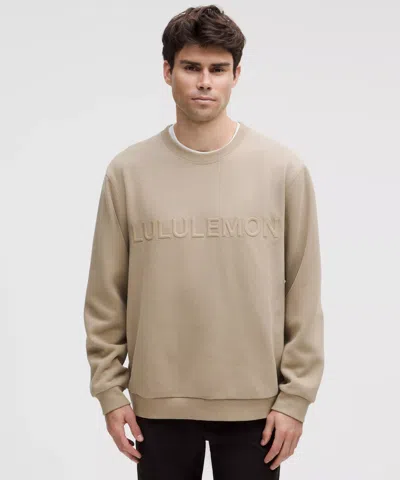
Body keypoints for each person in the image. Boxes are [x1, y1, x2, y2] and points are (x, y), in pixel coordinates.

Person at [83, 5, 324, 479]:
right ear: (167, 72)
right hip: (157, 406)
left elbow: (303, 291)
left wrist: (295, 398)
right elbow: (105, 294)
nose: (205, 82)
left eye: (218, 69)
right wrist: (110, 391)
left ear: (236, 75)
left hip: (258, 407)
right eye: (191, 67)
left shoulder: (283, 171)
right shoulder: (127, 173)